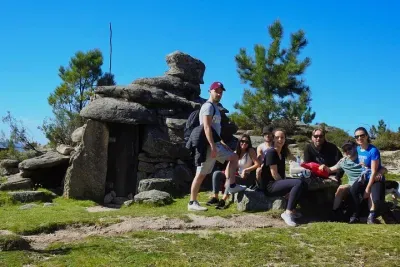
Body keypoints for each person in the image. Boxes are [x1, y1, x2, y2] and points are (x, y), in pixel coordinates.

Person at [188, 82, 246, 211]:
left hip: (216, 144)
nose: (219, 94)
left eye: (221, 92)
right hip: (209, 146)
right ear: (210, 91)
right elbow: (207, 128)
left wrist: (223, 145)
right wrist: (213, 147)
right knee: (201, 174)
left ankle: (231, 185)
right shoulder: (208, 107)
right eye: (217, 91)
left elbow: (215, 131)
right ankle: (192, 202)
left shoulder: (215, 108)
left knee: (234, 157)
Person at [320, 140, 387, 221]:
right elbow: (330, 170)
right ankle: (335, 213)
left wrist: (379, 172)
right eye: (345, 150)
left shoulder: (362, 158)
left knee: (370, 192)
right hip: (352, 185)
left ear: (355, 148)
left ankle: (371, 216)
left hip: (365, 183)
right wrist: (323, 166)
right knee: (341, 188)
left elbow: (383, 168)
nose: (347, 151)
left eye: (349, 148)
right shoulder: (343, 161)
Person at [260, 129, 308, 226]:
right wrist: (286, 189)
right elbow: (274, 174)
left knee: (303, 182)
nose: (280, 139)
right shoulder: (271, 153)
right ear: (273, 139)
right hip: (270, 186)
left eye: (282, 137)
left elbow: (294, 160)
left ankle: (293, 209)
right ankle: (288, 212)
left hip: (277, 183)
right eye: (277, 137)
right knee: (297, 183)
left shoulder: (282, 153)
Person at [207, 134, 260, 209]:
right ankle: (215, 197)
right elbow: (229, 165)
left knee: (230, 178)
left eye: (246, 142)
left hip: (246, 177)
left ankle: (223, 201)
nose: (244, 143)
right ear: (239, 142)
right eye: (242, 141)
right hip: (236, 175)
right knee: (216, 173)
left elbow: (257, 164)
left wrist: (246, 170)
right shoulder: (236, 152)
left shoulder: (250, 151)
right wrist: (227, 177)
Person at [349, 127, 386, 224]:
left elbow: (374, 171)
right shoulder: (357, 149)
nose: (359, 138)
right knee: (353, 190)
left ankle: (372, 216)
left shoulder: (373, 150)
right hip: (364, 177)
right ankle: (357, 213)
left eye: (362, 135)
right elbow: (349, 156)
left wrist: (368, 188)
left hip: (375, 177)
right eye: (357, 136)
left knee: (375, 197)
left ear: (367, 136)